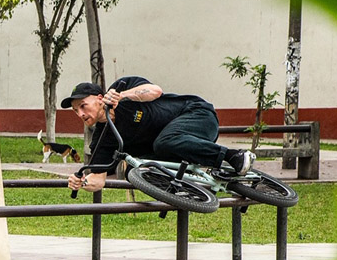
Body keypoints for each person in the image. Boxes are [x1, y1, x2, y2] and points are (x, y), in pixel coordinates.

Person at [63, 76, 255, 194]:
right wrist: (81, 182)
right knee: (134, 171)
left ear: (99, 98)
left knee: (164, 142)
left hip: (197, 115)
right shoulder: (102, 140)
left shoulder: (121, 89)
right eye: (75, 111)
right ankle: (184, 192)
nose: (80, 114)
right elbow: (98, 180)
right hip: (175, 146)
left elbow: (155, 91)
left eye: (83, 106)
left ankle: (233, 155)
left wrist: (122, 96)